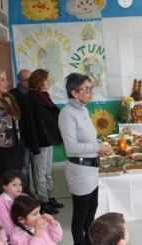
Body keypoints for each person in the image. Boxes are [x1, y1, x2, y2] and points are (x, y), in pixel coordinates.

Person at [58, 73, 111, 245]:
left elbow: (88, 138)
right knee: (80, 216)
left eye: (90, 89)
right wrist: (97, 147)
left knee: (91, 212)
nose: (90, 93)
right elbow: (71, 147)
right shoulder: (67, 113)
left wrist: (101, 144)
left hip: (91, 169)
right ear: (74, 93)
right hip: (80, 171)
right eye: (86, 89)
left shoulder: (83, 110)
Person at [22, 69, 63, 214]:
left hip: (48, 138)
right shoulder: (30, 98)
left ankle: (50, 197)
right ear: (39, 81)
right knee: (40, 172)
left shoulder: (44, 95)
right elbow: (30, 123)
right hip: (39, 140)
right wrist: (34, 144)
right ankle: (43, 201)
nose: (49, 82)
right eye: (46, 79)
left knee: (47, 171)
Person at [9, 69, 34, 196]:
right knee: (24, 166)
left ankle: (42, 193)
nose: (29, 82)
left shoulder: (34, 93)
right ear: (19, 80)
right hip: (22, 135)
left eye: (31, 79)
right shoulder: (12, 95)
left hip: (35, 136)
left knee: (38, 166)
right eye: (26, 80)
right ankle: (25, 190)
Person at [0, 170, 25, 238]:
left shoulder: (24, 196)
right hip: (13, 234)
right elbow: (6, 224)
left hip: (27, 228)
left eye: (20, 184)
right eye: (14, 185)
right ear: (5, 187)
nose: (19, 187)